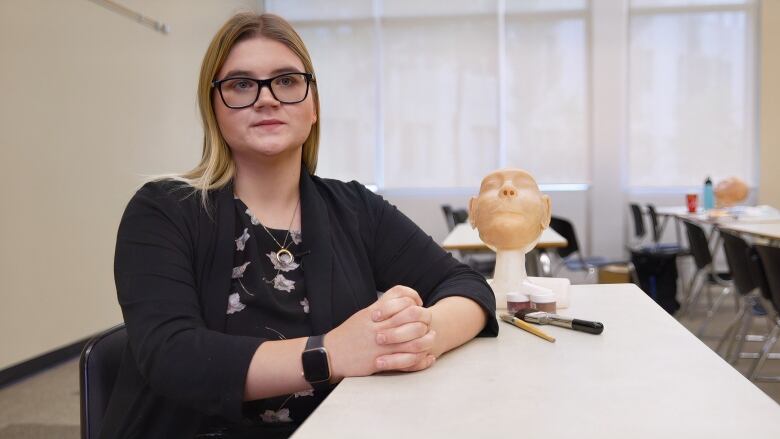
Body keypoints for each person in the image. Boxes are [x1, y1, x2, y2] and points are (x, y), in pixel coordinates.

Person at [102, 12, 498, 439]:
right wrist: (330, 354)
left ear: (313, 107)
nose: (267, 98)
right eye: (241, 84)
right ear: (213, 107)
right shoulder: (163, 210)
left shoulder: (355, 207)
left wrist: (421, 336)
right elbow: (172, 356)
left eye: (287, 81)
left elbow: (467, 285)